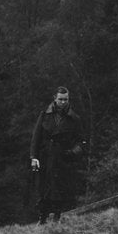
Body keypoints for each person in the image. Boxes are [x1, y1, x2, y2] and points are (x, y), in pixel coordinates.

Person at [30, 86, 87, 224]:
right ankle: (42, 219)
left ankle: (57, 218)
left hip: (62, 158)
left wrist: (72, 153)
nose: (63, 102)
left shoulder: (74, 118)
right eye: (60, 99)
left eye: (65, 99)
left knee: (59, 189)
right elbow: (36, 137)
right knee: (43, 189)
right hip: (45, 157)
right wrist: (34, 157)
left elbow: (82, 141)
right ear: (54, 99)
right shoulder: (44, 115)